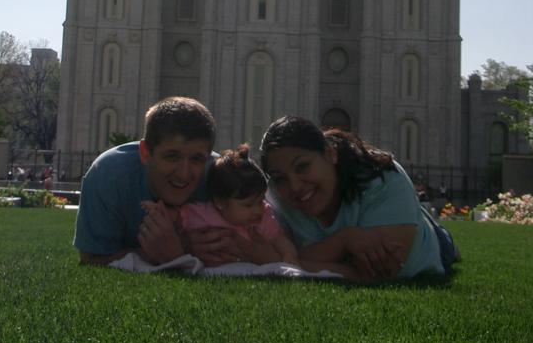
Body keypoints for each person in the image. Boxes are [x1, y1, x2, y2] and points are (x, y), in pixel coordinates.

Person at [260, 116, 460, 282]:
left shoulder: (383, 178)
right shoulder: (275, 196)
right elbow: (259, 254)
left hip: (432, 248)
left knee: (443, 242)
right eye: (280, 178)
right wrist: (344, 240)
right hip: (385, 218)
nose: (294, 186)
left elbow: (381, 272)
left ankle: (435, 230)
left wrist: (290, 259)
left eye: (302, 166)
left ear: (330, 154)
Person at [75, 97, 233, 266]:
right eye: (172, 157)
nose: (184, 173)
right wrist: (181, 248)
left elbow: (258, 249)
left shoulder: (222, 177)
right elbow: (91, 259)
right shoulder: (109, 175)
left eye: (197, 159)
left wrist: (181, 249)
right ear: (145, 153)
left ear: (207, 158)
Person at [176, 145, 299, 265]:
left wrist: (289, 256)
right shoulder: (200, 213)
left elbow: (279, 239)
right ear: (220, 203)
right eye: (248, 205)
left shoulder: (263, 219)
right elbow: (174, 222)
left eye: (260, 201)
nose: (257, 210)